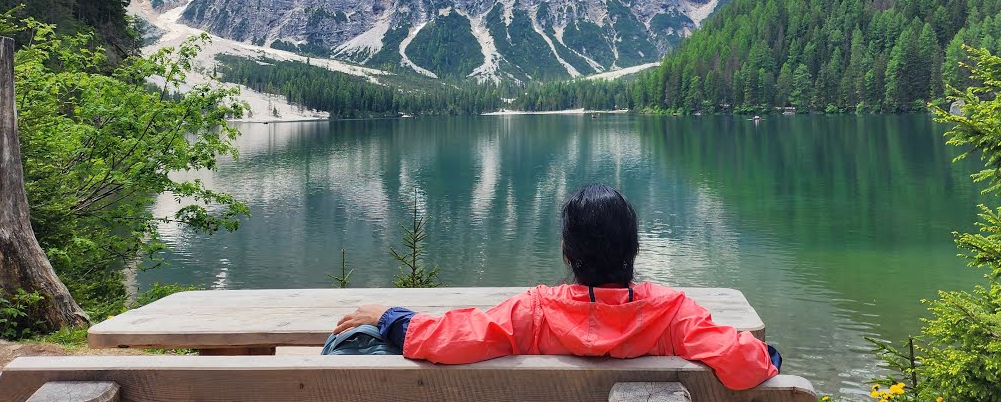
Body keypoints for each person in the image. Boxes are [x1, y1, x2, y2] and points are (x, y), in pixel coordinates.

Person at [332, 183, 782, 390]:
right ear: (635, 249)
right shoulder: (672, 313)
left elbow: (448, 339)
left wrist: (386, 317)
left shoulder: (535, 311)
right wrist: (768, 355)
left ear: (568, 255)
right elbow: (744, 363)